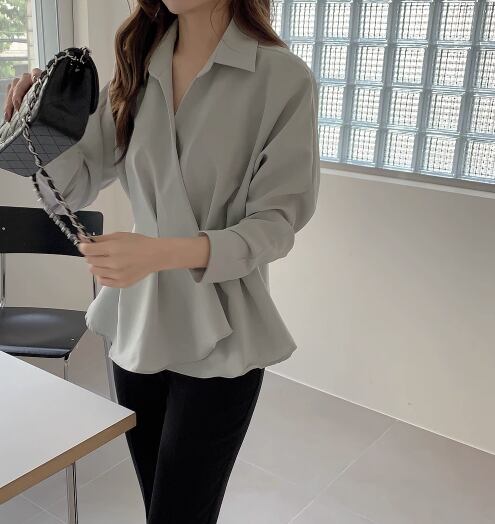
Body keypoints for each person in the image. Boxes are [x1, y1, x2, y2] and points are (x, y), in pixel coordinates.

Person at [3, 0, 320, 521]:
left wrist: (160, 253)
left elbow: (275, 226)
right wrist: (38, 124)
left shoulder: (282, 78)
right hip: (138, 326)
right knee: (159, 504)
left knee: (181, 512)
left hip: (222, 333)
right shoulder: (139, 65)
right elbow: (76, 185)